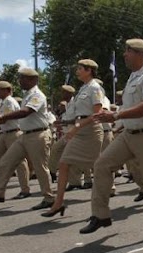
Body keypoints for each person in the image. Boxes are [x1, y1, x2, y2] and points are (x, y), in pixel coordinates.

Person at [80, 39, 143, 245]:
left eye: (128, 51)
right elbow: (131, 108)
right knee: (102, 165)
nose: (124, 54)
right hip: (129, 134)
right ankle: (100, 215)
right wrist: (114, 114)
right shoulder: (133, 77)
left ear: (139, 54)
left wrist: (115, 116)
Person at [0, 68, 55, 204]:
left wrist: (1, 116)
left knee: (40, 167)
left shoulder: (37, 95)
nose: (20, 81)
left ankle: (49, 198)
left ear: (33, 80)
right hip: (25, 135)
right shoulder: (28, 95)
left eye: (23, 79)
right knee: (5, 162)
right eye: (21, 78)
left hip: (38, 134)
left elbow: (26, 112)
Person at [42, 59, 106, 217]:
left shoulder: (95, 88)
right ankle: (58, 203)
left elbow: (97, 114)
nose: (77, 71)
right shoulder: (83, 88)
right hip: (79, 131)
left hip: (91, 132)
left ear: (89, 70)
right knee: (63, 163)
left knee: (97, 169)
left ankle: (100, 208)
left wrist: (77, 127)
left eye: (80, 68)